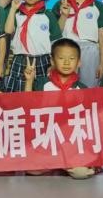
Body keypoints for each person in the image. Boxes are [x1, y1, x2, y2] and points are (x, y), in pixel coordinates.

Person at [21, 39, 96, 180]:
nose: (66, 63)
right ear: (52, 61)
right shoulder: (42, 84)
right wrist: (29, 81)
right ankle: (56, 161)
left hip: (70, 142)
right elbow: (28, 106)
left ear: (79, 62)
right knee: (31, 169)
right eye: (61, 58)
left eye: (71, 59)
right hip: (47, 140)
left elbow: (87, 123)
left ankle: (64, 161)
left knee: (81, 173)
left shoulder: (82, 89)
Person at [1, 0, 61, 92]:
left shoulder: (48, 15)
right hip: (21, 59)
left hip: (43, 60)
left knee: (42, 93)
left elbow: (56, 41)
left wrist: (54, 64)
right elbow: (8, 31)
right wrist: (13, 9)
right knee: (19, 93)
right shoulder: (16, 14)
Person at [54, 0, 103, 89]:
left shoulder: (97, 6)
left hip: (90, 50)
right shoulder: (60, 4)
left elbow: (102, 37)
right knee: (65, 87)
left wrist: (102, 63)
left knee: (90, 88)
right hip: (65, 48)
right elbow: (55, 33)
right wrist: (64, 15)